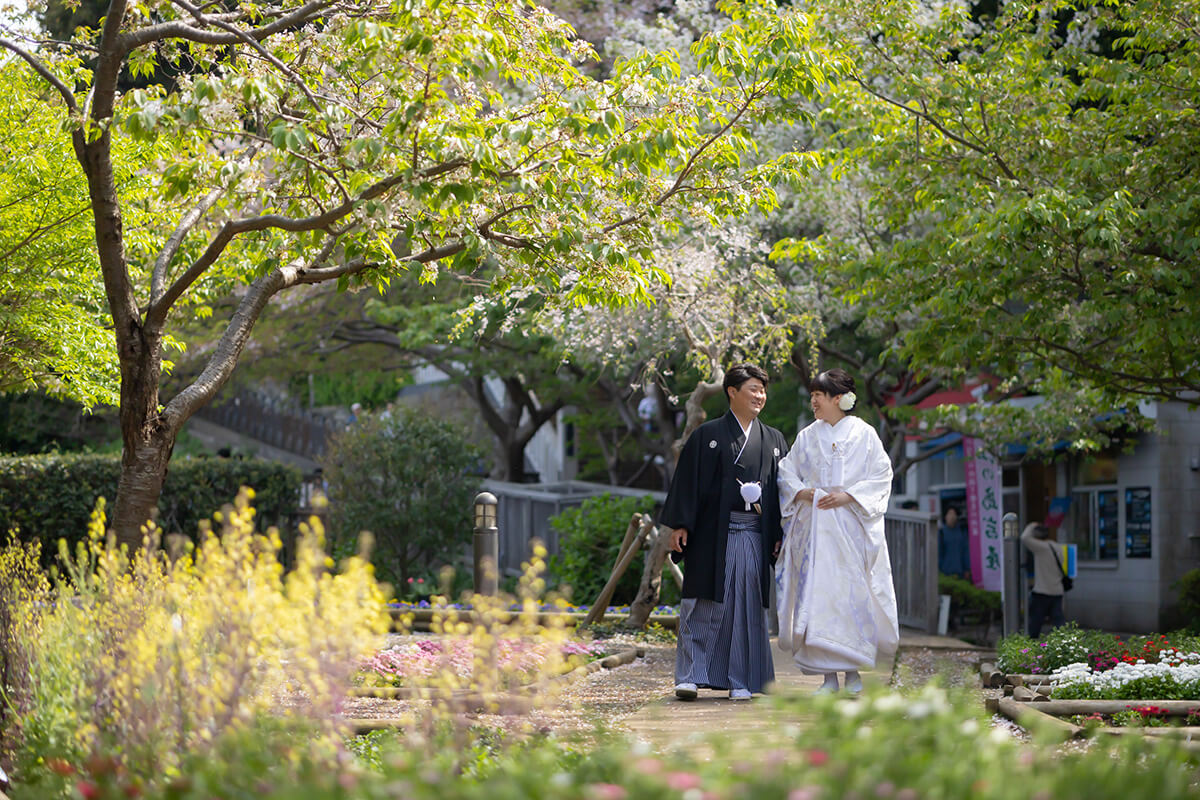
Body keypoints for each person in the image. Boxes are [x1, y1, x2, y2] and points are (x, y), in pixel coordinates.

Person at [661, 364, 790, 701]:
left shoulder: (774, 440)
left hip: (753, 534)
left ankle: (741, 679)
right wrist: (679, 524)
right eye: (753, 389)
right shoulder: (707, 435)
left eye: (763, 389)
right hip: (710, 534)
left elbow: (782, 493)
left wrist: (780, 532)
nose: (760, 395)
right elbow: (687, 483)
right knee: (702, 602)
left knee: (746, 606)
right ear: (732, 392)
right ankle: (690, 675)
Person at [775, 368, 899, 694]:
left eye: (819, 395)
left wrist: (849, 496)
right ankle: (828, 679)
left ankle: (853, 675)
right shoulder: (807, 436)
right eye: (813, 395)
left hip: (850, 526)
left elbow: (881, 475)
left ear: (838, 398)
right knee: (818, 600)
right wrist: (803, 493)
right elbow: (787, 472)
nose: (813, 401)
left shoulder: (864, 433)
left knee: (851, 599)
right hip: (816, 530)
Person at [1021, 523, 1067, 637]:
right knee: (1058, 622)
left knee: (1035, 623)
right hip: (1057, 590)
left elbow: (1024, 538)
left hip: (1042, 591)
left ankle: (1030, 648)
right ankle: (1066, 645)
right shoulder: (1058, 547)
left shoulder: (1041, 548)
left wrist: (1032, 526)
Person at [938, 506, 972, 581]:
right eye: (949, 514)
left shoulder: (962, 532)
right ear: (945, 516)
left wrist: (967, 569)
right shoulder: (941, 533)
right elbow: (939, 553)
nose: (952, 516)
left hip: (961, 573)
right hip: (945, 573)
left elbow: (966, 551)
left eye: (954, 514)